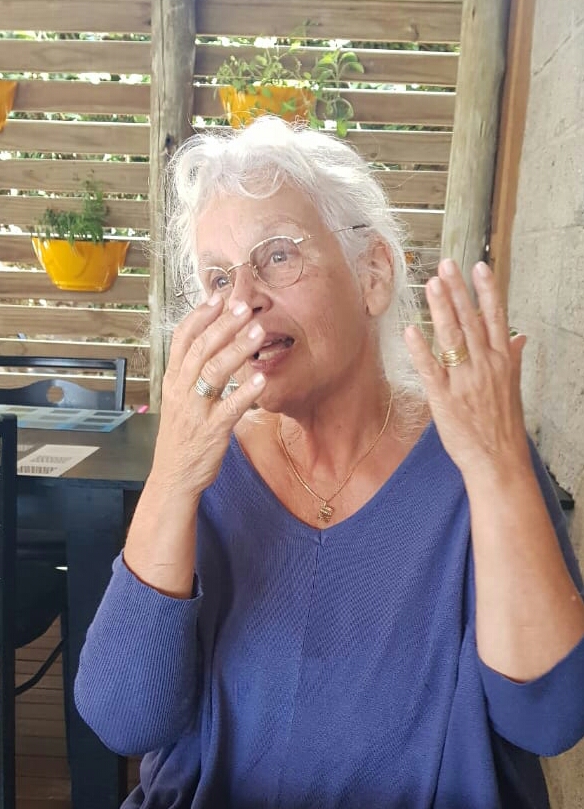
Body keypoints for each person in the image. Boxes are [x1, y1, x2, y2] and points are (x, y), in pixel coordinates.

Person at [74, 116, 584, 809]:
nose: (243, 299)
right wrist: (173, 477)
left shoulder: (475, 451)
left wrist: (497, 470)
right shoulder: (205, 468)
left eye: (278, 256)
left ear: (372, 274)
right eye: (218, 277)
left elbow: (549, 719)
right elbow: (123, 720)